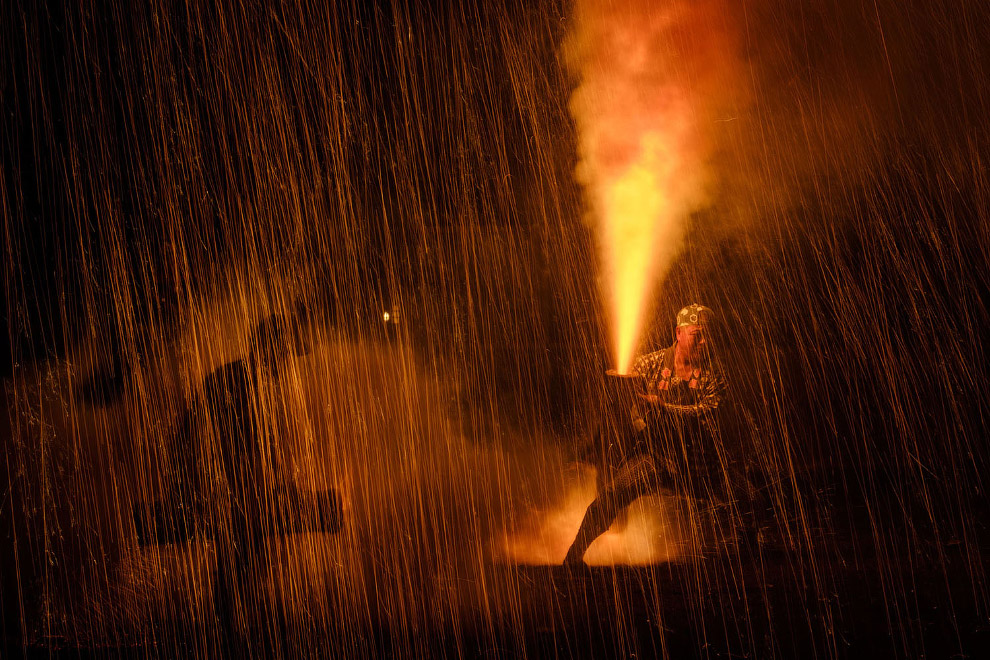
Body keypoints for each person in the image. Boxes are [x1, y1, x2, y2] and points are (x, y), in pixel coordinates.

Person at [134, 306, 340, 651]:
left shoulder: (245, 380)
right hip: (208, 483)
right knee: (244, 539)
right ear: (270, 350)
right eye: (286, 354)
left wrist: (280, 488)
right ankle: (229, 633)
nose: (288, 364)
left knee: (246, 542)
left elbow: (254, 454)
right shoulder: (240, 385)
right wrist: (265, 494)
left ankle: (231, 627)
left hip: (213, 482)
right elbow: (239, 455)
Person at [563, 303, 727, 565]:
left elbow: (706, 412)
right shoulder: (651, 364)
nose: (705, 341)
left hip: (698, 461)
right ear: (679, 333)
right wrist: (619, 386)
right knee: (612, 496)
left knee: (747, 501)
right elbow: (621, 397)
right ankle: (573, 557)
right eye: (698, 334)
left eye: (709, 335)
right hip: (657, 457)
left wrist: (664, 408)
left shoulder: (714, 374)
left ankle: (749, 564)